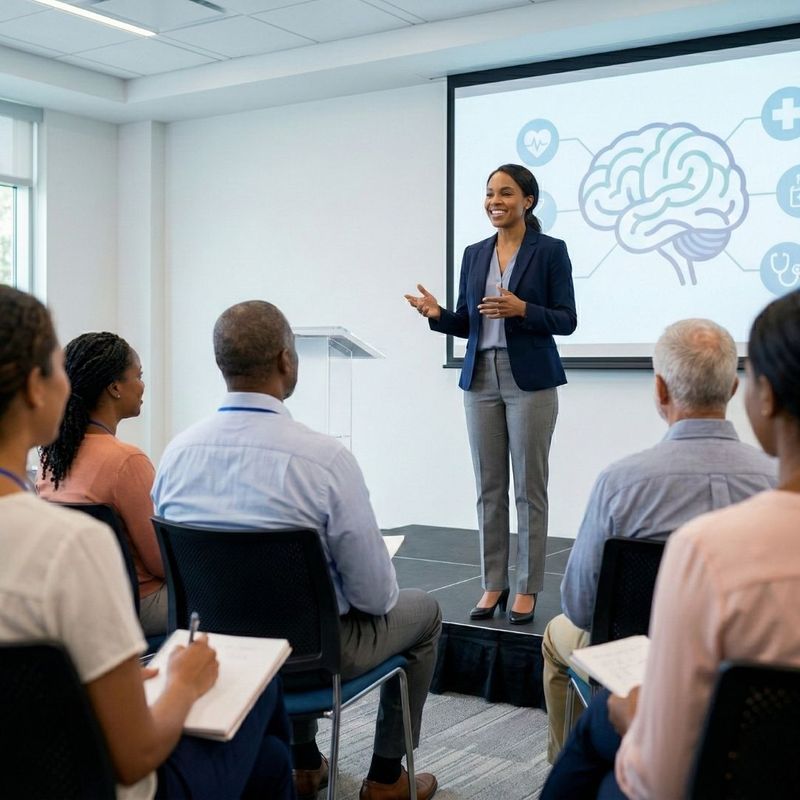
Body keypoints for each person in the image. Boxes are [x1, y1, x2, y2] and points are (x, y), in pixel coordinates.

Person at [0, 285, 295, 800]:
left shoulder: (51, 467)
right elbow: (135, 754)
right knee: (257, 683)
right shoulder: (72, 544)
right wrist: (181, 681)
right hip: (105, 782)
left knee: (268, 762)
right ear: (33, 387)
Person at [152, 300, 442, 800]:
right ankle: (387, 779)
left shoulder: (177, 454)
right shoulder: (324, 459)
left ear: (221, 364)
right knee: (424, 613)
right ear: (288, 361)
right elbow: (375, 598)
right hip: (314, 658)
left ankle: (304, 763)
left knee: (296, 605)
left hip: (214, 651)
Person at [541, 289, 800, 800]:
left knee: (558, 640)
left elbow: (578, 605)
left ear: (660, 389)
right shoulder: (771, 481)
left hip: (668, 734)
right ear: (730, 387)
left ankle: (557, 760)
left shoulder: (628, 488)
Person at [406, 163, 577, 625]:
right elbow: (468, 321)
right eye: (489, 194)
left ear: (528, 201)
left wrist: (524, 309)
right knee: (489, 488)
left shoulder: (551, 251)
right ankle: (493, 582)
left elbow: (566, 319)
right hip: (480, 376)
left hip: (531, 381)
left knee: (529, 490)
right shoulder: (474, 254)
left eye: (505, 193)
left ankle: (527, 588)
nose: (494, 201)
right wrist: (437, 313)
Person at [38, 332, 167, 636]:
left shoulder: (50, 458)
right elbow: (161, 564)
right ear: (115, 388)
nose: (143, 385)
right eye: (139, 375)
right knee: (222, 597)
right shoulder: (127, 461)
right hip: (136, 606)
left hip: (76, 607)